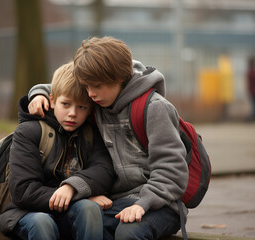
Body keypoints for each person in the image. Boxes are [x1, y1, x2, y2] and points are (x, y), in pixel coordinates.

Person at [28, 36, 189, 240]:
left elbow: (172, 170)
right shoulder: (99, 97)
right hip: (115, 202)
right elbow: (62, 90)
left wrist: (142, 205)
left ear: (119, 78)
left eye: (96, 86)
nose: (90, 94)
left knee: (127, 234)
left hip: (159, 202)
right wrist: (39, 93)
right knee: (75, 226)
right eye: (86, 86)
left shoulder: (155, 108)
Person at [0, 62, 116, 240]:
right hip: (28, 212)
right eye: (66, 104)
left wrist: (72, 188)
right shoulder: (29, 131)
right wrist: (74, 194)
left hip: (67, 213)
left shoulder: (92, 134)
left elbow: (104, 170)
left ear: (90, 108)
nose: (72, 113)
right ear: (52, 100)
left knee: (90, 209)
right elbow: (23, 191)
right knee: (42, 222)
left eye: (81, 107)